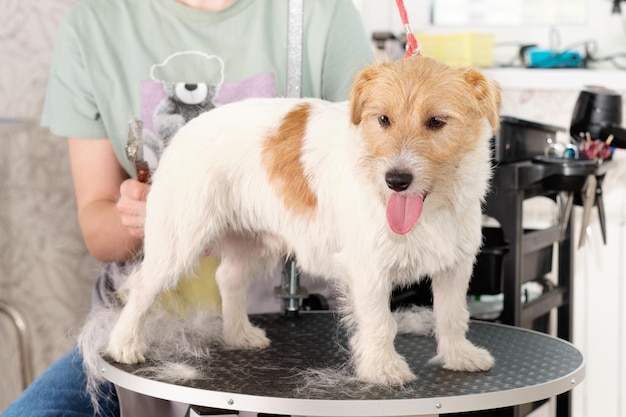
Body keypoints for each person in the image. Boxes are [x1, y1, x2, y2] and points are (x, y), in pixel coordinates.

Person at [1, 0, 374, 416]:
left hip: (295, 318)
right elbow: (98, 226)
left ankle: (232, 323)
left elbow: (368, 164)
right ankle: (129, 328)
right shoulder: (95, 22)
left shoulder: (322, 13)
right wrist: (156, 214)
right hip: (155, 323)